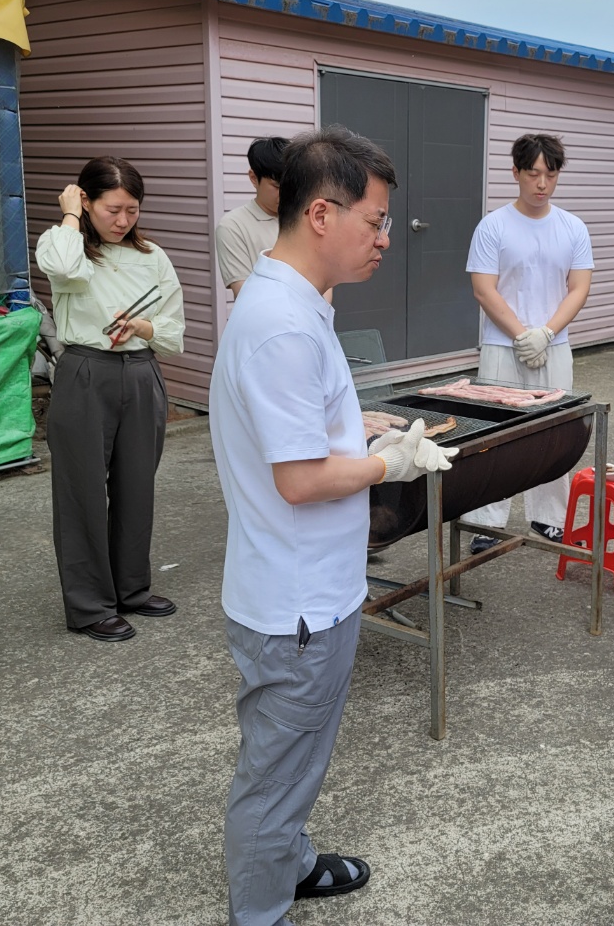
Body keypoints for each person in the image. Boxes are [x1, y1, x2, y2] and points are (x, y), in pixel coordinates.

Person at [209, 126, 457, 926]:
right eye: (375, 221)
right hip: (297, 603)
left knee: (295, 763)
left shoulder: (293, 300)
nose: (385, 238)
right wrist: (390, 463)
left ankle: (291, 863)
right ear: (321, 213)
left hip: (307, 587)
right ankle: (260, 912)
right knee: (275, 777)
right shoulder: (281, 321)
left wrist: (357, 425)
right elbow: (301, 478)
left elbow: (301, 427)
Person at [35, 156, 186, 641]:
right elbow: (62, 267)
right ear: (86, 202)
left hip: (141, 372)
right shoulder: (66, 245)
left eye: (132, 210)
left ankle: (131, 589)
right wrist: (70, 214)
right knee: (80, 491)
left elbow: (174, 330)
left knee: (136, 486)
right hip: (85, 371)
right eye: (111, 209)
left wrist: (144, 327)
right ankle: (89, 605)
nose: (122, 220)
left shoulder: (152, 256)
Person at [461, 133, 593, 554]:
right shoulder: (494, 226)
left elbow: (578, 287)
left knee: (555, 434)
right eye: (533, 173)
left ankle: (550, 518)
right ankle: (485, 522)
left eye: (550, 175)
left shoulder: (572, 227)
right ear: (515, 172)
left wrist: (546, 333)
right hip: (502, 345)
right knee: (495, 433)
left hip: (554, 344)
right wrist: (520, 334)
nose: (542, 183)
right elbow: (484, 288)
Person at [216, 136, 290, 298]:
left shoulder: (305, 217)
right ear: (254, 178)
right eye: (277, 186)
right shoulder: (233, 226)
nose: (285, 193)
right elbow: (244, 293)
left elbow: (323, 279)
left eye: (290, 186)